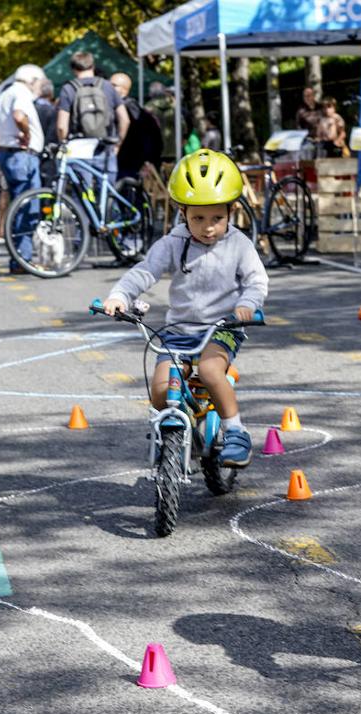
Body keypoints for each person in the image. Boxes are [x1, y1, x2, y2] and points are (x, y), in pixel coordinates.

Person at [101, 150, 268, 467]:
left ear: (231, 211)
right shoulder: (173, 242)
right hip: (178, 332)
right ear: (182, 212)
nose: (208, 228)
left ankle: (236, 431)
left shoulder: (239, 245)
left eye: (217, 218)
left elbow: (256, 281)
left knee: (210, 370)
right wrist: (120, 295)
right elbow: (145, 271)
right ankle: (180, 427)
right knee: (160, 390)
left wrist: (247, 304)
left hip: (222, 329)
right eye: (198, 218)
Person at [0, 64, 47, 272]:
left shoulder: (5, 94)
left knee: (19, 207)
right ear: (32, 80)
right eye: (40, 82)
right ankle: (22, 259)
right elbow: (19, 115)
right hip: (22, 156)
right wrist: (27, 134)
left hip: (9, 154)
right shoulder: (21, 93)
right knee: (27, 209)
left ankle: (19, 259)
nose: (40, 87)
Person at [57, 51, 129, 185]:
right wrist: (118, 143)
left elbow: (62, 126)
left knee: (81, 193)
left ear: (73, 69)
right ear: (93, 66)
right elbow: (125, 119)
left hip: (78, 148)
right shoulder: (108, 86)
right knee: (107, 191)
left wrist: (63, 143)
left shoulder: (68, 89)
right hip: (105, 147)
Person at [110, 72, 163, 180]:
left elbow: (150, 138)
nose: (109, 88)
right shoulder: (135, 109)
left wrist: (147, 160)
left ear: (124, 89)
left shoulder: (130, 109)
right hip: (128, 163)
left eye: (113, 85)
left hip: (129, 164)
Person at [144, 81, 180, 164]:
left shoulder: (148, 107)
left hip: (154, 148)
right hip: (172, 148)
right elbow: (183, 126)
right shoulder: (174, 106)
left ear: (151, 93)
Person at [34, 79, 59, 182]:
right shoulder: (52, 110)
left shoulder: (31, 107)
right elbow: (52, 134)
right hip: (47, 152)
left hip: (32, 150)